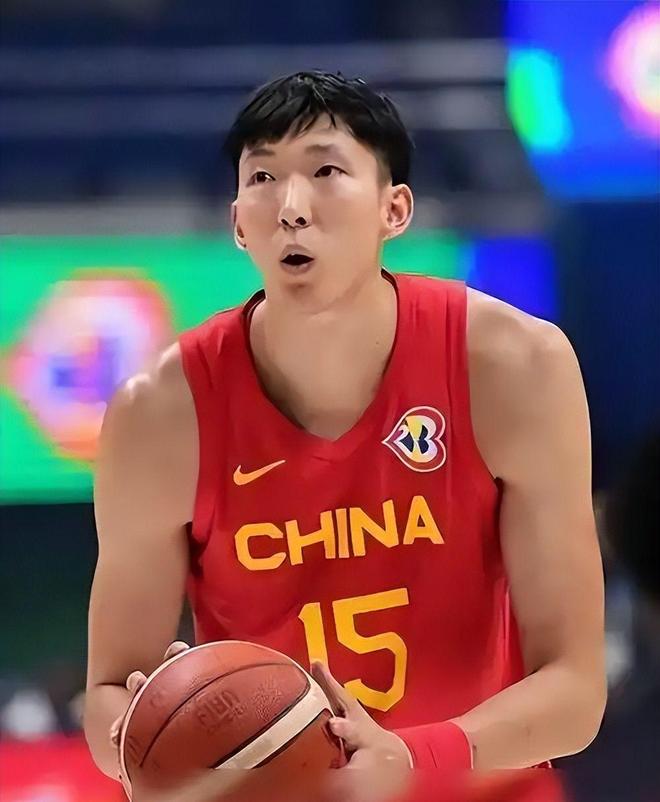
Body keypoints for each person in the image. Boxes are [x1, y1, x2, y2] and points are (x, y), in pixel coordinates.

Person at [84, 71, 606, 801]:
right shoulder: (158, 415)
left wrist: (414, 756)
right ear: (239, 224)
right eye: (263, 178)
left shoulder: (516, 366)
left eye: (326, 171)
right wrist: (145, 735)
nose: (292, 207)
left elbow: (576, 692)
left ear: (395, 210)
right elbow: (109, 693)